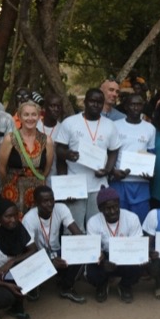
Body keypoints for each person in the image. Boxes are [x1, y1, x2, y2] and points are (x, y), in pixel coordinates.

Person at [54, 88, 120, 231]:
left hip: (98, 186)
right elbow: (59, 150)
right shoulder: (70, 123)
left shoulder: (109, 125)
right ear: (84, 102)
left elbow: (114, 150)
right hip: (74, 185)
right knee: (73, 228)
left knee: (96, 228)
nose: (95, 105)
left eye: (99, 102)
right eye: (92, 101)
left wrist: (107, 170)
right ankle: (71, 254)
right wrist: (68, 154)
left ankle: (96, 254)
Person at [22, 186, 86, 303]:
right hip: (37, 254)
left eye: (52, 199)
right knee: (27, 260)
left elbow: (77, 234)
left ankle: (66, 287)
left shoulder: (61, 208)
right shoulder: (29, 219)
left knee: (80, 250)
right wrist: (50, 261)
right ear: (36, 203)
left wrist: (86, 248)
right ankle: (34, 285)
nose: (50, 204)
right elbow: (30, 250)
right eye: (45, 201)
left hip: (56, 251)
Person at [85, 186, 144, 304]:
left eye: (115, 207)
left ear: (119, 204)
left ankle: (125, 286)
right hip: (105, 256)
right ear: (100, 209)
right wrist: (101, 260)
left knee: (139, 267)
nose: (112, 211)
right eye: (107, 208)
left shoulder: (131, 218)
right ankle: (102, 285)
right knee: (91, 272)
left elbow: (137, 246)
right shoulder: (93, 222)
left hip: (126, 254)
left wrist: (137, 257)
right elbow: (93, 249)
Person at [0, 102, 53, 215]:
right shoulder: (10, 138)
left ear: (39, 117)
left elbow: (47, 169)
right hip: (13, 189)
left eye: (34, 114)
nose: (30, 118)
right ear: (19, 117)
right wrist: (10, 182)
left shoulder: (46, 140)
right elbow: (1, 167)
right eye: (26, 114)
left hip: (37, 191)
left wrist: (35, 180)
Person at [110, 94, 156, 222]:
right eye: (132, 104)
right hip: (119, 182)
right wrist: (113, 171)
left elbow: (151, 153)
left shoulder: (150, 128)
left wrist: (150, 172)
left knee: (140, 222)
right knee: (120, 222)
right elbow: (109, 152)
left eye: (139, 104)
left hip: (141, 183)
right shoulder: (115, 126)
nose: (136, 108)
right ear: (126, 106)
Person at [36, 93, 63, 181]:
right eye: (52, 106)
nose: (56, 109)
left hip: (53, 178)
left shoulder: (63, 129)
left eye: (59, 107)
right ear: (45, 107)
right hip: (33, 176)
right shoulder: (35, 125)